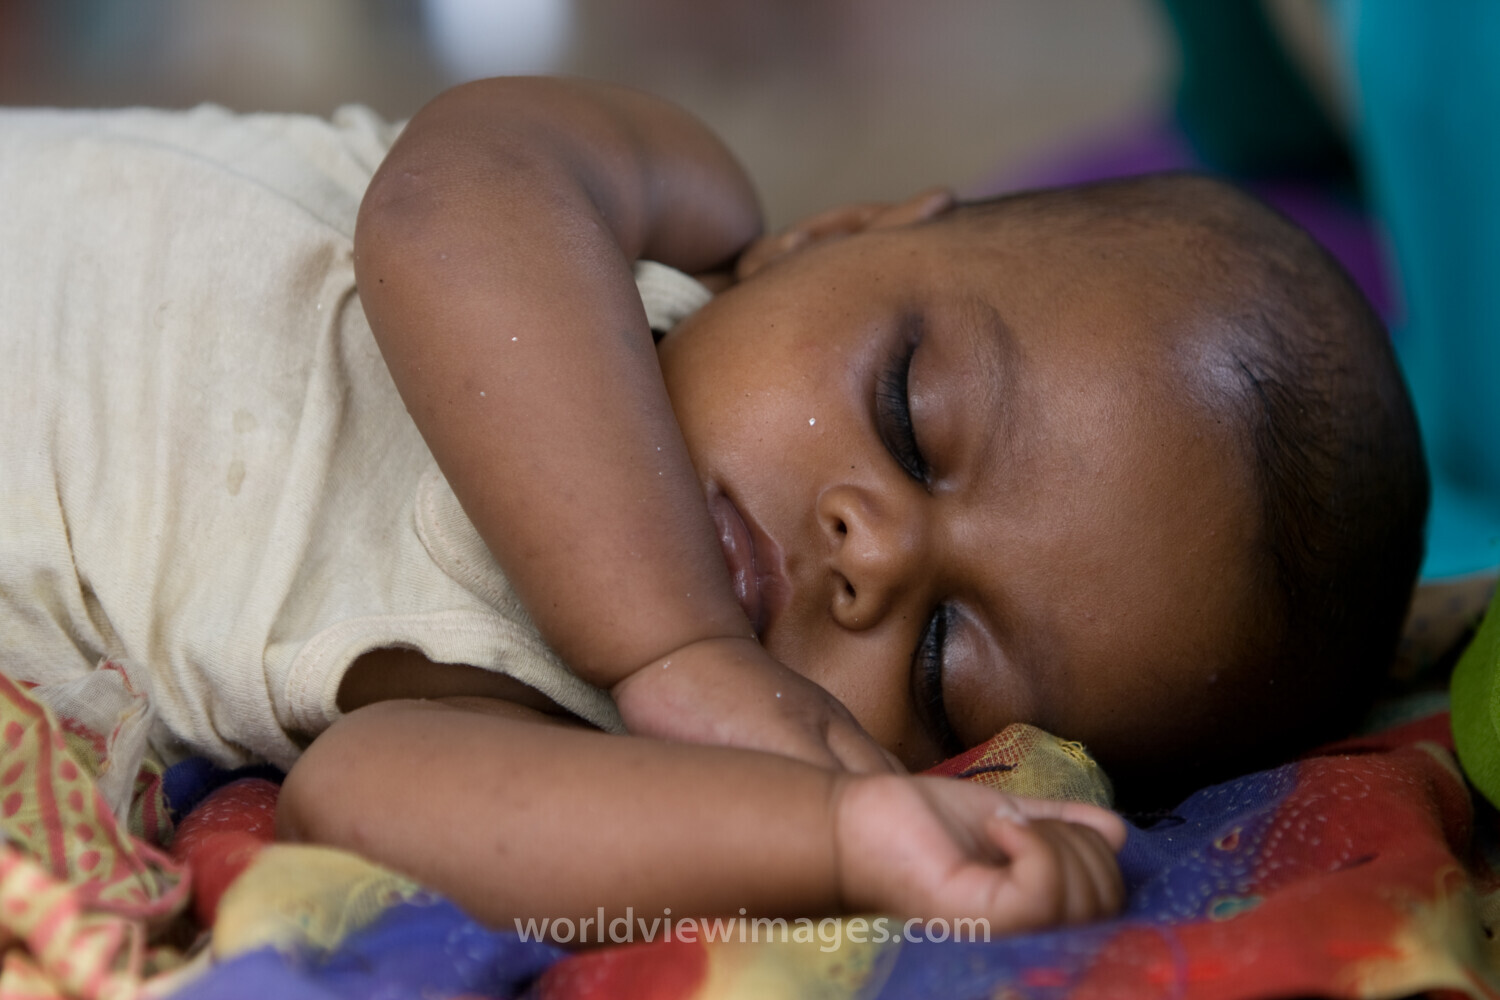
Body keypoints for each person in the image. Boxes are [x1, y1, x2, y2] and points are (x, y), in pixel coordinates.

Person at [0, 77, 1426, 935]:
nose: (871, 556)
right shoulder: (658, 204)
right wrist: (673, 638)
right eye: (913, 419)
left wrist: (837, 846)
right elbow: (446, 206)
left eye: (939, 662)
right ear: (840, 234)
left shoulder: (572, 730)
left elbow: (357, 804)